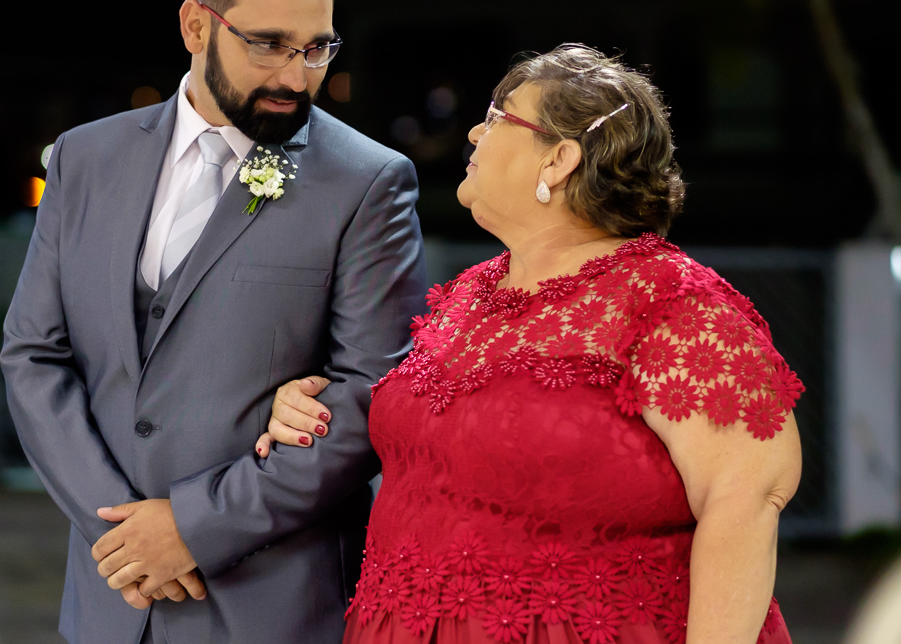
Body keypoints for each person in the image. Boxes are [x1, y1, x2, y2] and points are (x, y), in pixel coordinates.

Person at [259, 44, 805, 644]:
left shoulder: (669, 298)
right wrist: (310, 410)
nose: (475, 132)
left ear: (559, 159)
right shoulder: (469, 294)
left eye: (497, 118)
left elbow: (747, 495)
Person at [0, 0, 426, 644]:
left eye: (317, 48)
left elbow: (369, 401)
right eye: (269, 44)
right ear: (196, 26)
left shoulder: (369, 182)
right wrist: (122, 533)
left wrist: (194, 529)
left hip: (272, 609)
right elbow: (33, 356)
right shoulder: (84, 158)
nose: (296, 76)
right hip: (109, 605)